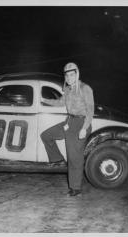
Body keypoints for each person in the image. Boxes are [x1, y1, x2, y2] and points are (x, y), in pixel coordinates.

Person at [40, 62, 94, 197]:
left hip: (81, 123)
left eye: (72, 74)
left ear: (77, 74)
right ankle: (57, 159)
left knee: (74, 157)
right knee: (46, 135)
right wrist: (43, 99)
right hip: (69, 121)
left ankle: (75, 187)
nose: (69, 78)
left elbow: (90, 110)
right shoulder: (68, 89)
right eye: (67, 75)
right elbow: (60, 102)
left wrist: (84, 128)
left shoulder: (85, 88)